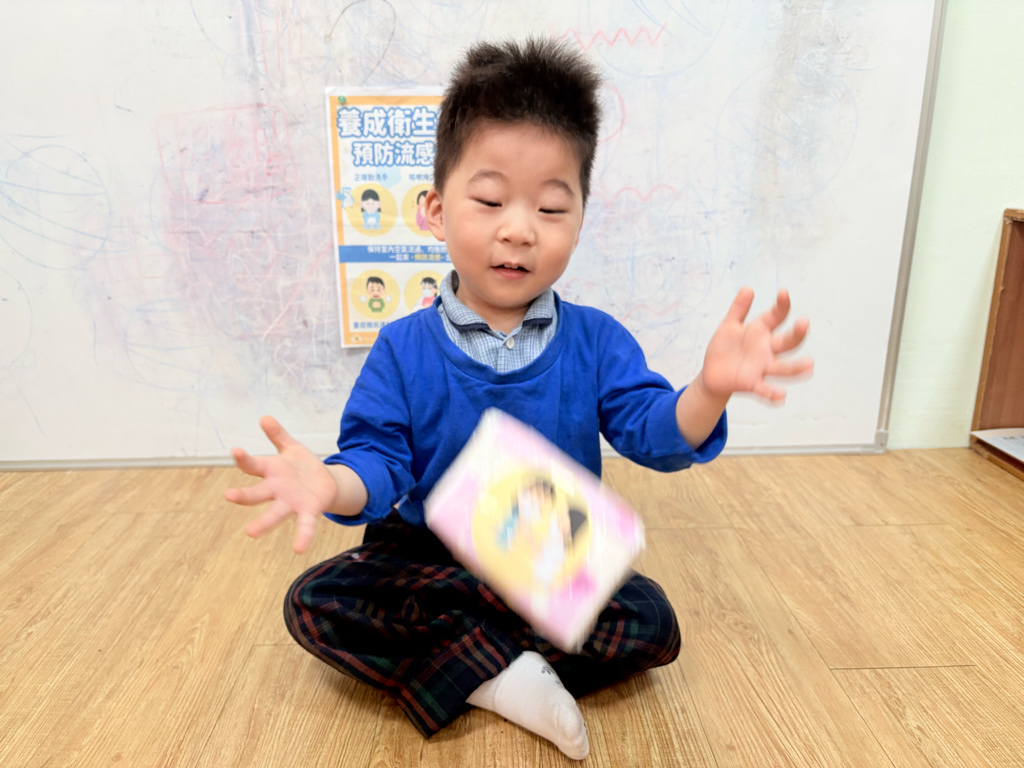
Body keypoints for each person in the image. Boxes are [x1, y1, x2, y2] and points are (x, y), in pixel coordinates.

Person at [225, 37, 812, 761]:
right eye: (491, 200)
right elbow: (377, 464)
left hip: (546, 552)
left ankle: (469, 666)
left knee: (651, 620)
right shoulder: (403, 348)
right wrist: (328, 482)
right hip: (430, 559)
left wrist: (709, 390)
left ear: (580, 219)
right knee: (318, 603)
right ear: (436, 211)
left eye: (551, 207)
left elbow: (656, 435)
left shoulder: (595, 341)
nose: (518, 229)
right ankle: (507, 675)